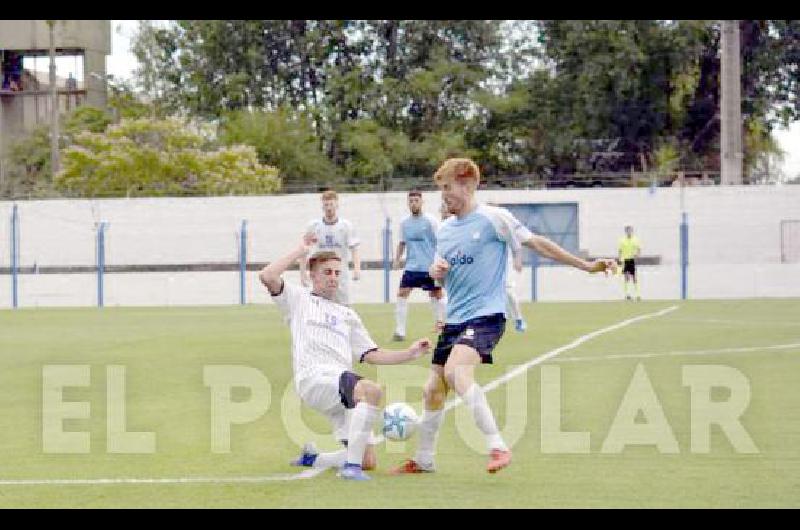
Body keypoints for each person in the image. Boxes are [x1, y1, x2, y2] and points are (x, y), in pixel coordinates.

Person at [390, 158, 616, 475]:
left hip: (486, 317)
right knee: (432, 390)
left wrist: (586, 266)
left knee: (457, 372)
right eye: (440, 190)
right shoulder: (444, 230)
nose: (443, 197)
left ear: (467, 184)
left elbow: (538, 243)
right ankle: (424, 460)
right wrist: (435, 272)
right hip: (455, 320)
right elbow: (439, 275)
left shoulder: (495, 219)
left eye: (447, 188)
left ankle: (497, 445)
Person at [260, 233, 432, 481]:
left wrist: (411, 353)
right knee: (371, 390)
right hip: (315, 378)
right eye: (327, 272)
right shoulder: (298, 299)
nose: (333, 278)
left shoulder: (347, 314)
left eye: (337, 273)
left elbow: (372, 354)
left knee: (368, 460)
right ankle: (350, 469)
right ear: (312, 275)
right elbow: (267, 276)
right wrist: (300, 250)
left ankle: (315, 458)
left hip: (341, 388)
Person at [393, 190, 446, 341]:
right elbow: (402, 242)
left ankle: (440, 324)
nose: (414, 203)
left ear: (422, 202)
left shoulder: (431, 221)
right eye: (411, 201)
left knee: (436, 295)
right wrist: (397, 259)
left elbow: (440, 241)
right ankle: (400, 331)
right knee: (402, 294)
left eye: (416, 200)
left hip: (429, 267)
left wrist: (440, 261)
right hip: (411, 268)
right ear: (408, 203)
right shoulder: (404, 223)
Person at [300, 190, 361, 305]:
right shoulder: (314, 226)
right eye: (326, 205)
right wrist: (303, 273)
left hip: (340, 273)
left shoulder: (346, 226)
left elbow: (354, 249)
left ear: (337, 205)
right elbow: (303, 250)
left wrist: (357, 269)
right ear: (322, 206)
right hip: (320, 273)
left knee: (344, 306)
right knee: (319, 305)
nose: (328, 208)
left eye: (331, 204)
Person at [618, 225, 642, 301]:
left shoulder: (635, 239)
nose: (629, 232)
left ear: (632, 231)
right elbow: (620, 250)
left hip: (632, 260)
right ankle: (627, 294)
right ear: (626, 232)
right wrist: (620, 259)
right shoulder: (622, 240)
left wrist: (637, 254)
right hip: (625, 260)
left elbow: (639, 249)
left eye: (630, 230)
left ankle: (637, 294)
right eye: (628, 230)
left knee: (634, 277)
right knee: (626, 277)